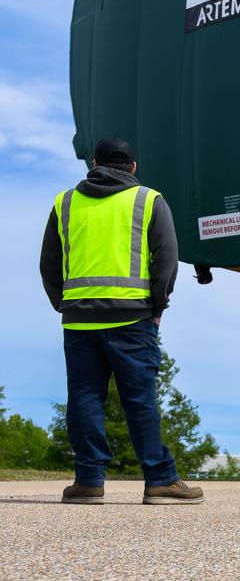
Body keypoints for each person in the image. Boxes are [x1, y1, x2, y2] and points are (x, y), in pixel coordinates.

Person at [40, 137, 202, 505]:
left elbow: (48, 264)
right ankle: (160, 480)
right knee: (140, 400)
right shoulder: (148, 200)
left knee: (84, 398)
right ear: (132, 167)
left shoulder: (65, 203)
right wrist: (157, 307)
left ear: (93, 163)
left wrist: (64, 305)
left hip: (78, 320)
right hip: (132, 318)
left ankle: (88, 482)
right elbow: (167, 260)